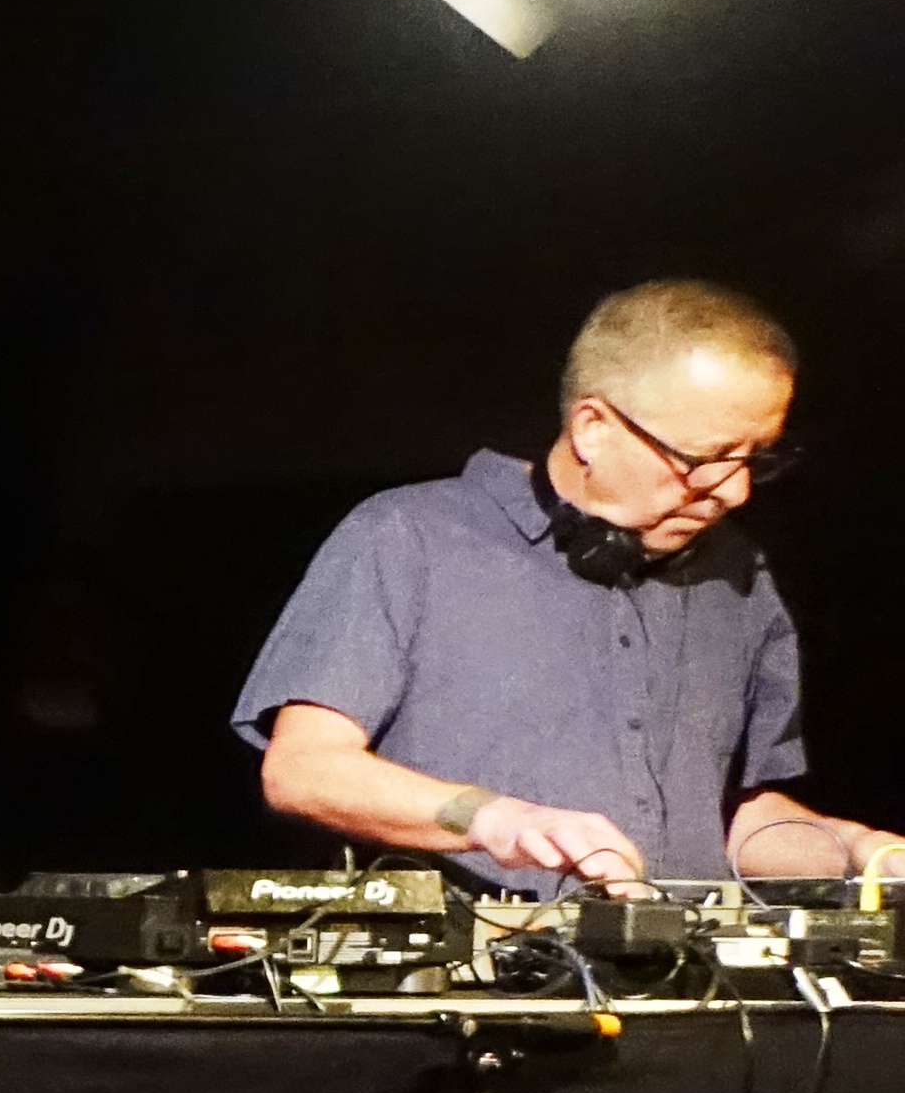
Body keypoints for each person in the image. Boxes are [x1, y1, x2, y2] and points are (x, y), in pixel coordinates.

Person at [238, 279, 905, 894]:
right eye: (705, 461)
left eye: (756, 457)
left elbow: (729, 816)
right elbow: (303, 770)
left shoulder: (739, 575)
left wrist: (857, 850)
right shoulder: (408, 536)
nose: (734, 491)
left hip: (683, 998)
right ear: (592, 428)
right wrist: (495, 818)